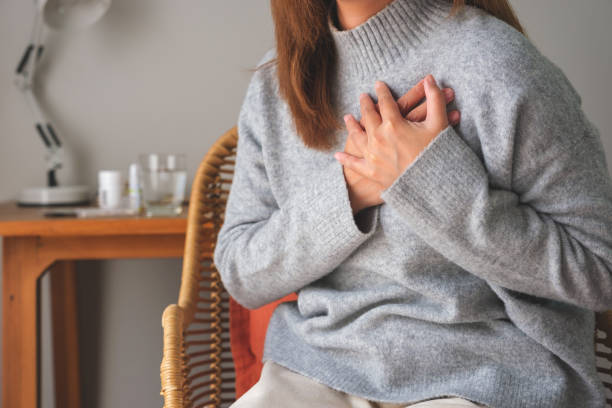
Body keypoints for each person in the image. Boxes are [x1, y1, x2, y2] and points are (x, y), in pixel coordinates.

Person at [213, 0, 612, 407]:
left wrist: (430, 180)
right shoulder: (277, 85)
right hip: (318, 371)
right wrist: (350, 189)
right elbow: (241, 272)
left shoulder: (497, 63)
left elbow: (600, 269)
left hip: (487, 376)